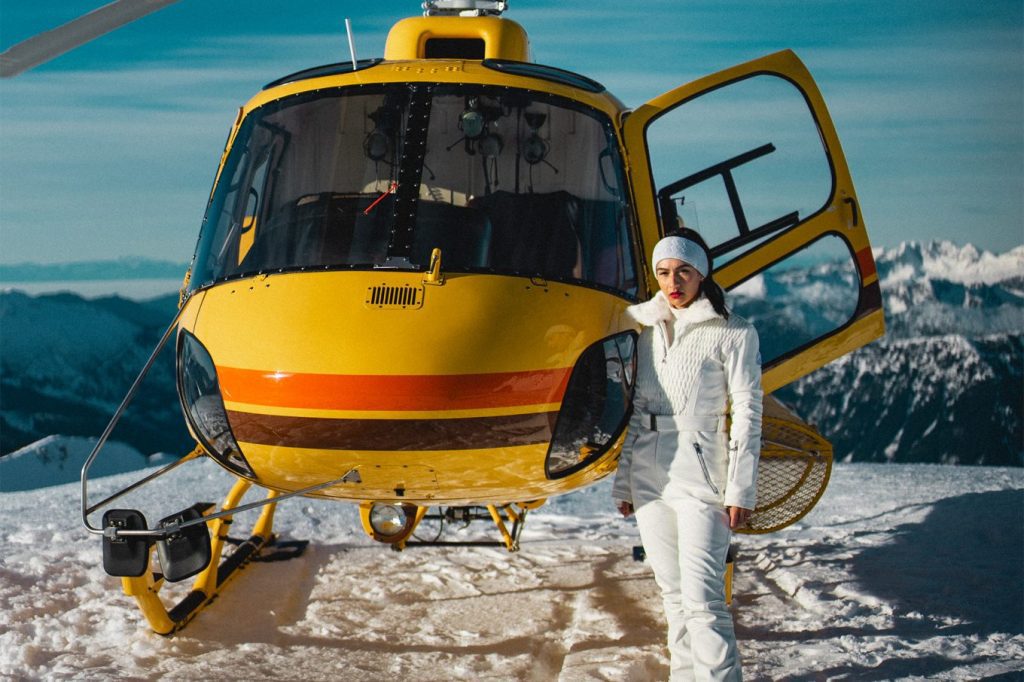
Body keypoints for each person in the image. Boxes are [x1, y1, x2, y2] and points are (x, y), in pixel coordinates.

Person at [612, 228, 762, 681]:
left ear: (701, 274)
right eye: (663, 273)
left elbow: (749, 412)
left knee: (702, 600)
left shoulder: (734, 332)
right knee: (673, 595)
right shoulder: (647, 331)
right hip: (649, 475)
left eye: (683, 272)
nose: (673, 282)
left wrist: (741, 489)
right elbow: (637, 409)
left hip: (703, 473)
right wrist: (624, 482)